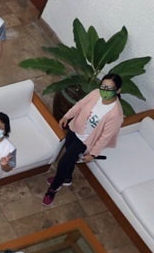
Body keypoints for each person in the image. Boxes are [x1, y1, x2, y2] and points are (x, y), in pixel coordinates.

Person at [43, 73, 125, 206]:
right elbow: (80, 105)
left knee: (64, 162)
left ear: (118, 91)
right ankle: (67, 178)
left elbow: (105, 137)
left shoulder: (116, 114)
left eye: (109, 88)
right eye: (103, 86)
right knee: (69, 155)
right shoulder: (95, 93)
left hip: (85, 141)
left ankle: (54, 187)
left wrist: (93, 153)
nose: (104, 91)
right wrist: (67, 116)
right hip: (75, 129)